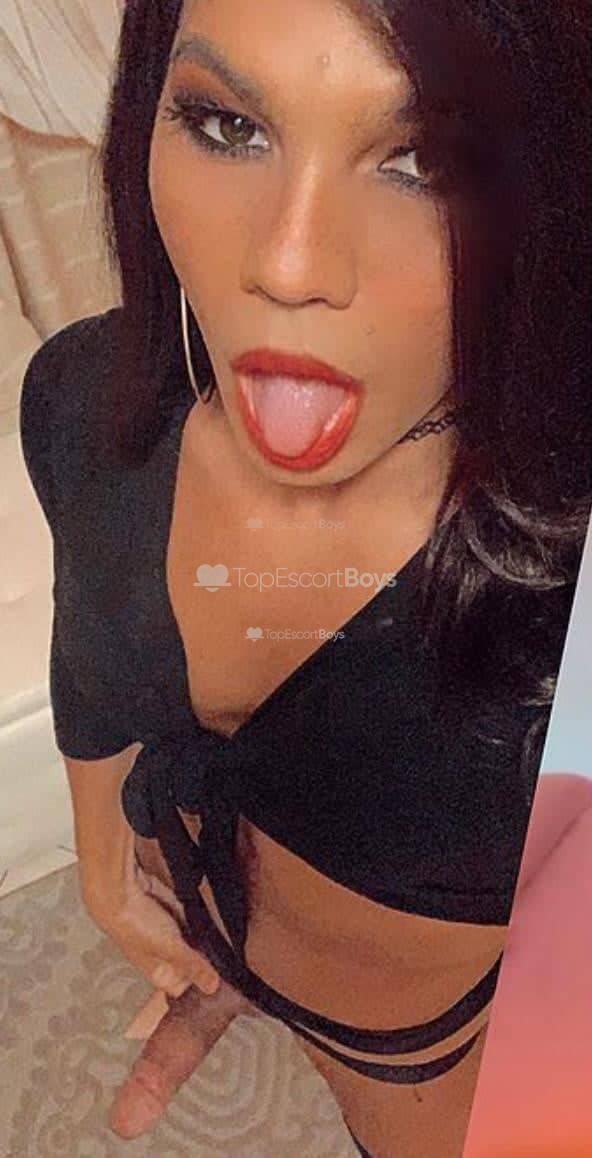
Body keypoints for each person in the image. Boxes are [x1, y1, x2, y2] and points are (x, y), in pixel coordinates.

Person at [18, 1, 590, 1155]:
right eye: (227, 125)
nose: (286, 263)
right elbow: (89, 654)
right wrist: (106, 873)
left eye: (425, 160)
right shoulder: (83, 402)